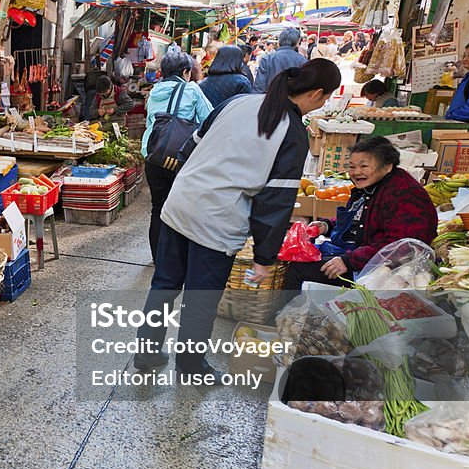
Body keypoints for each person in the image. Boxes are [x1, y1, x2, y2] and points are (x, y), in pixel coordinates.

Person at [134, 60, 341, 378]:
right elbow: (275, 202)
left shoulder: (238, 102)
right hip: (217, 220)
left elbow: (190, 146)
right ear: (316, 94)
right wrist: (264, 257)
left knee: (164, 283)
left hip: (181, 203)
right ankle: (190, 366)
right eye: (325, 98)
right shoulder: (293, 132)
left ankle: (146, 355)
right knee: (201, 299)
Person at [283, 137, 436, 291]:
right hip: (364, 257)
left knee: (298, 270)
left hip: (388, 273)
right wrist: (327, 225)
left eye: (364, 166)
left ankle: (285, 314)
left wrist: (349, 261)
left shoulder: (403, 194)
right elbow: (360, 218)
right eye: (352, 166)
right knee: (301, 260)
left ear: (388, 166)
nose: (356, 172)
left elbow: (402, 246)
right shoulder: (372, 186)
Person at [140, 52, 213, 263]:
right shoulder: (191, 89)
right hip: (179, 158)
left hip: (153, 156)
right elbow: (209, 120)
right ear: (185, 71)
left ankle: (158, 257)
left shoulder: (155, 91)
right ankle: (175, 259)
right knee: (181, 209)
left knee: (158, 207)